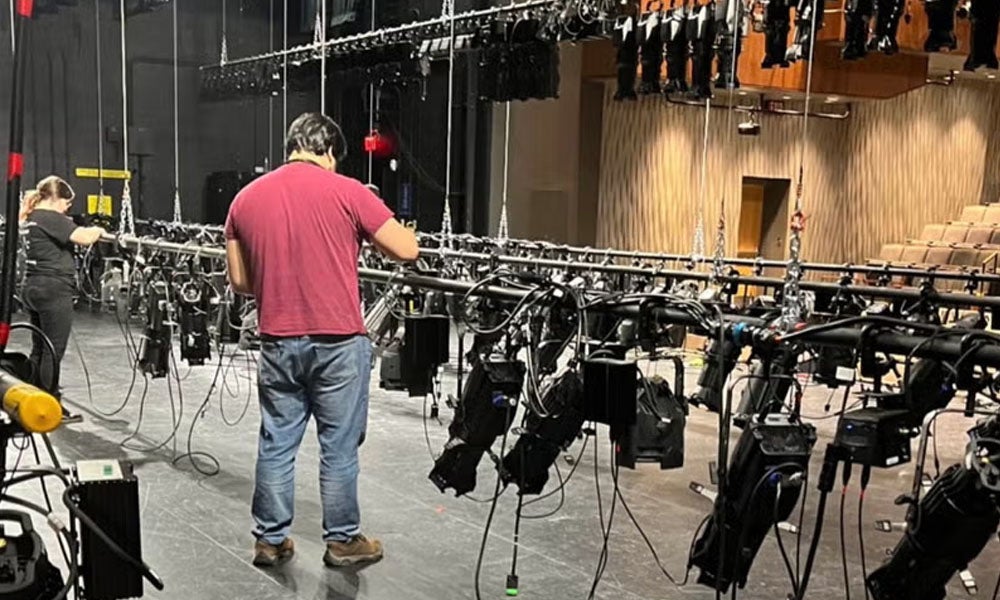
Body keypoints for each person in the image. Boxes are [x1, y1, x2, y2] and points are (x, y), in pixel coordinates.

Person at [225, 112, 418, 569]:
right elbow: (407, 250)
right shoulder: (349, 191)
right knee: (338, 446)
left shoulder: (244, 199)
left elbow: (239, 281)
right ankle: (342, 541)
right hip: (337, 343)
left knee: (276, 442)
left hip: (277, 339)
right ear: (329, 150)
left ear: (292, 144)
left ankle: (270, 541)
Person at [19, 176, 106, 397]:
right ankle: (49, 400)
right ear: (56, 198)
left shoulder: (32, 217)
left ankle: (33, 396)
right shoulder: (50, 217)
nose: (67, 209)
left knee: (40, 347)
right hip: (53, 289)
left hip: (33, 286)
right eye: (67, 204)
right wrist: (98, 231)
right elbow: (84, 238)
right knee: (53, 350)